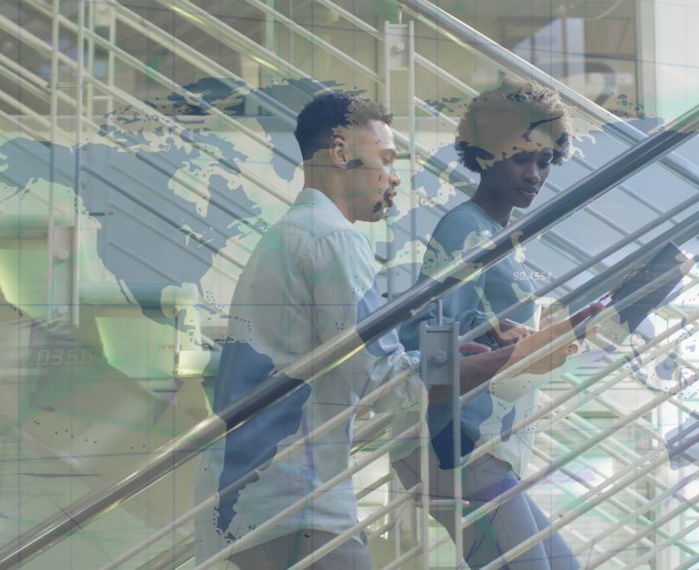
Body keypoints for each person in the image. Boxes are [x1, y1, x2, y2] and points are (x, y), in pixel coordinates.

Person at [194, 92, 582, 570]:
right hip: (291, 501)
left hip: (257, 496)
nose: (395, 176)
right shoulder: (333, 239)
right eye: (386, 159)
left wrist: (478, 347)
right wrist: (515, 358)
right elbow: (389, 381)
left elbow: (377, 360)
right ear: (341, 153)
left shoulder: (292, 234)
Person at [393, 79, 593, 570]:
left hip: (486, 446)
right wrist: (514, 347)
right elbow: (424, 341)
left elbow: (475, 329)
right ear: (484, 155)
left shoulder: (499, 235)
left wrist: (531, 338)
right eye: (520, 157)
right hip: (456, 446)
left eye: (545, 161)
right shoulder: (466, 230)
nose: (535, 174)